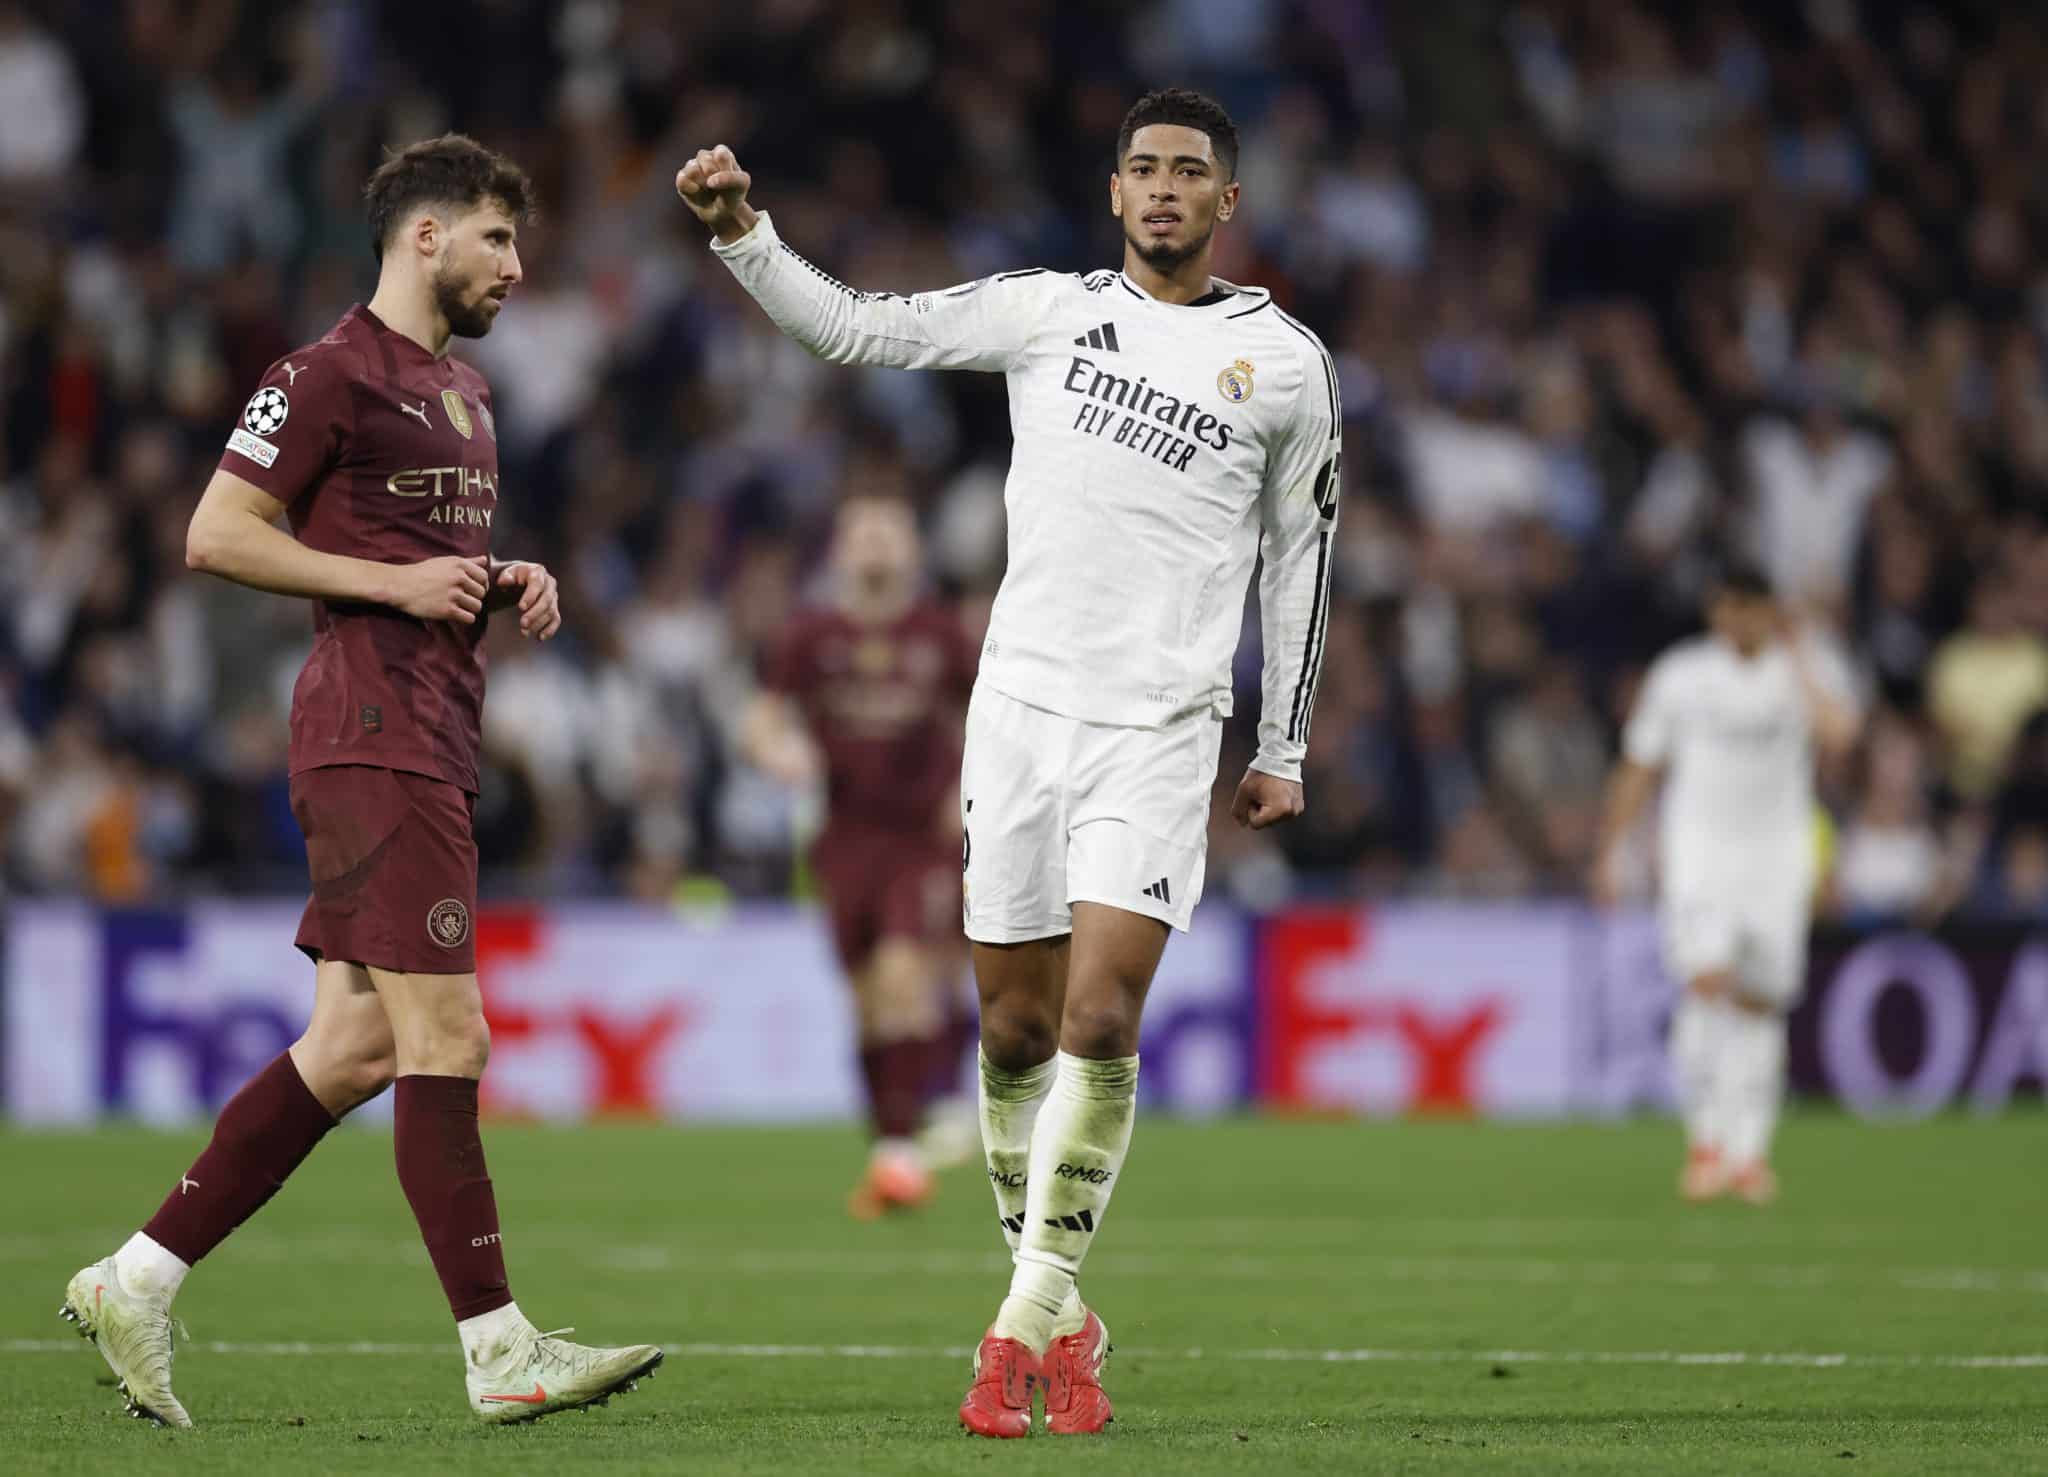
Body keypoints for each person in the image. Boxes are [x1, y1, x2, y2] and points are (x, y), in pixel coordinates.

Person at [677, 86, 1340, 1437]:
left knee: (1101, 1018)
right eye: (1141, 167)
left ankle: (1019, 1321)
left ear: (1228, 203)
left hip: (1158, 729)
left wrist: (1283, 743)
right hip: (1020, 716)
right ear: (1114, 192)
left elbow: (1303, 559)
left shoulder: (1285, 364)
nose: (1162, 188)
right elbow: (861, 328)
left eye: (1189, 172)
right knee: (1015, 1030)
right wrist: (747, 236)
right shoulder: (1048, 310)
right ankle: (1065, 1309)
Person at [60, 134, 662, 1427]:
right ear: (424, 236)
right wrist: (395, 584)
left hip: (432, 727)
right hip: (369, 732)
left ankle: (135, 1276)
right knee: (451, 1033)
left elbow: (414, 555)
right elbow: (215, 532)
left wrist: (504, 579)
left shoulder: (466, 396)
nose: (519, 263)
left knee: (357, 1042)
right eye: (498, 237)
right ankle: (501, 1350)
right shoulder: (322, 372)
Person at [744, 488, 981, 1218]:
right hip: (843, 839)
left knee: (907, 974)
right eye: (864, 533)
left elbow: (985, 714)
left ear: (912, 548)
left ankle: (915, 1136)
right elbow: (764, 716)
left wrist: (971, 791)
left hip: (921, 836)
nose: (877, 545)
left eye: (890, 531)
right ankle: (892, 1145)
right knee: (868, 1000)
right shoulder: (811, 635)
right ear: (842, 548)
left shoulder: (940, 633)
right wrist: (777, 751)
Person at [1594, 563, 1860, 1205]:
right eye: (1724, 607)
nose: (1734, 620)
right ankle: (1707, 1140)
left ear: (1770, 609)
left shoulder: (1808, 666)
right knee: (1705, 981)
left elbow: (1841, 735)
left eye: (1747, 607)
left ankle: (1749, 1154)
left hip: (1777, 855)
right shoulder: (1682, 675)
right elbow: (1640, 765)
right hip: (1700, 853)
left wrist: (1798, 651)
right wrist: (1611, 851)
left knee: (1762, 1002)